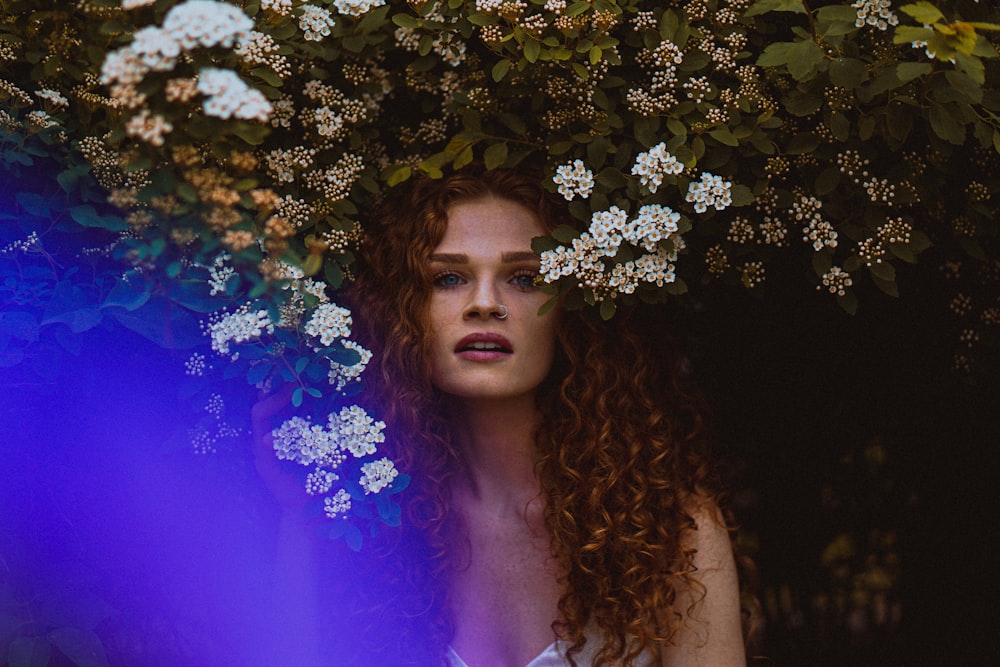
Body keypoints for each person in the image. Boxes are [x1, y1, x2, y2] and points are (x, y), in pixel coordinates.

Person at [339, 165, 750, 667]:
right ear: (401, 309)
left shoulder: (669, 528)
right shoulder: (368, 528)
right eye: (448, 278)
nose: (485, 304)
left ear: (570, 311)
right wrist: (298, 524)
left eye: (525, 278)